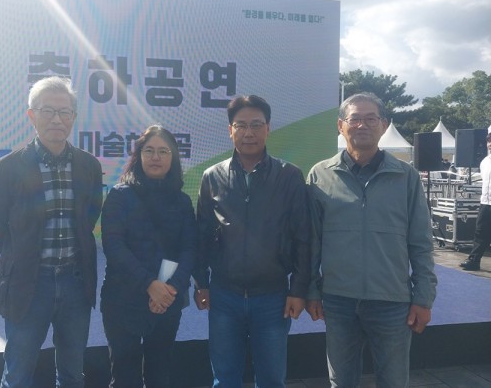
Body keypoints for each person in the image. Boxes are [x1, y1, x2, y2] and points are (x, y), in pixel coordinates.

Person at [306, 92, 437, 388]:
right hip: (338, 300)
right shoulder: (320, 175)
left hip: (392, 301)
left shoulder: (406, 176)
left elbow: (421, 242)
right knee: (342, 381)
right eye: (354, 119)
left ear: (384, 125)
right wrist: (312, 290)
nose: (362, 125)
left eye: (370, 119)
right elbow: (311, 242)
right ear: (340, 125)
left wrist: (423, 296)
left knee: (393, 381)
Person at [0, 76, 103, 388]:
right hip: (28, 283)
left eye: (64, 112)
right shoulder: (5, 169)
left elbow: (90, 216)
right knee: (18, 373)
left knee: (72, 373)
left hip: (76, 283)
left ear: (73, 118)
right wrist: (23, 257)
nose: (56, 119)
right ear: (31, 115)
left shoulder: (89, 166)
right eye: (47, 110)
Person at [193, 95, 311, 388]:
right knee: (225, 378)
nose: (249, 133)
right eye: (241, 125)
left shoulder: (289, 176)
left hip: (272, 296)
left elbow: (303, 237)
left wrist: (298, 289)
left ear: (268, 128)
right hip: (224, 296)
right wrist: (201, 283)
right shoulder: (212, 177)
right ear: (230, 130)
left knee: (271, 379)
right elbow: (202, 236)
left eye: (256, 125)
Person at [100, 125, 196, 388]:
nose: (156, 157)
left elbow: (189, 249)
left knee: (159, 375)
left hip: (167, 300)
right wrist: (149, 284)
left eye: (163, 151)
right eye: (149, 150)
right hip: (123, 301)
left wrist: (170, 289)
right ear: (138, 155)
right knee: (124, 378)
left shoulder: (182, 201)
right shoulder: (120, 196)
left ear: (173, 157)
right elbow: (114, 246)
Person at [460, 126, 491, 271]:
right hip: (486, 202)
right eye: (489, 140)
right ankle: (474, 260)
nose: (490, 144)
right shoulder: (484, 162)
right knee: (480, 232)